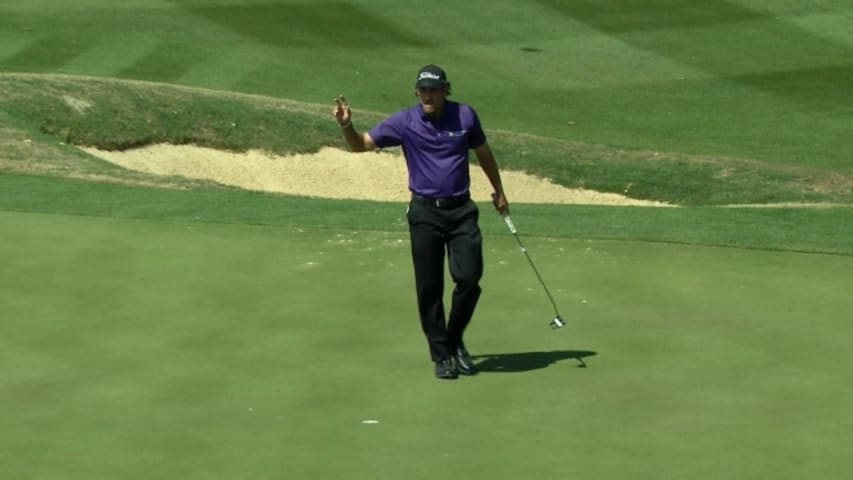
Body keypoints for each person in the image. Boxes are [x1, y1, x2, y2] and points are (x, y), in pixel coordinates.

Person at [333, 64, 509, 380]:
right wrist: (347, 126)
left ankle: (453, 342)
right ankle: (442, 355)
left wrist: (499, 190)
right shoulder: (405, 121)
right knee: (429, 288)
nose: (428, 95)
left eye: (434, 89)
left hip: (461, 210)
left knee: (469, 278)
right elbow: (361, 144)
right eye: (423, 90)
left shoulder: (465, 116)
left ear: (445, 90)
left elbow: (483, 153)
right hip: (425, 212)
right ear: (417, 92)